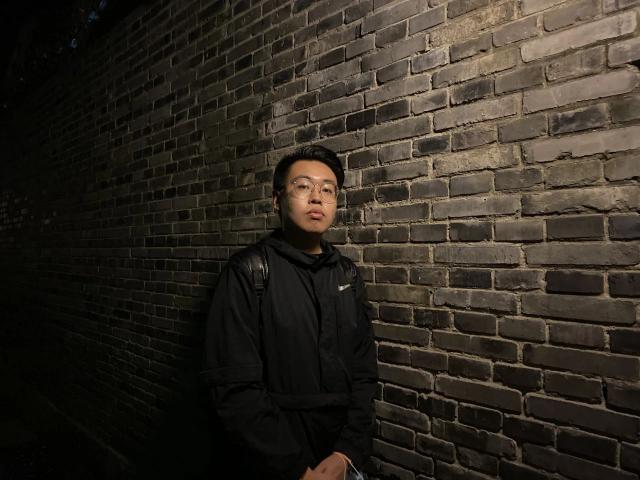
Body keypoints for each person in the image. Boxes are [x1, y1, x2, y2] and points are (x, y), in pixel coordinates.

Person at [201, 145, 378, 480]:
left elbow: (364, 372)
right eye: (303, 186)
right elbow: (234, 388)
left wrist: (347, 452)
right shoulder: (249, 272)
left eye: (328, 190)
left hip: (340, 457)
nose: (317, 198)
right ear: (276, 200)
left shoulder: (348, 275)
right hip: (274, 463)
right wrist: (296, 470)